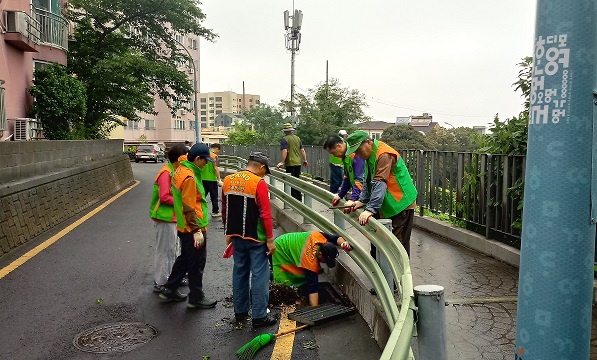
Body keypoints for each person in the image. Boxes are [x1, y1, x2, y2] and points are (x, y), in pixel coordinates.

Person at [159, 143, 217, 309]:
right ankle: (196, 297)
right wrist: (197, 231)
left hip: (184, 226)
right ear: (197, 159)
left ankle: (169, 289)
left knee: (185, 258)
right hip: (193, 227)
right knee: (197, 262)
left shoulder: (181, 169)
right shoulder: (189, 177)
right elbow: (189, 207)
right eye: (204, 161)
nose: (206, 164)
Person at [222, 152, 277, 327]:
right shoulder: (258, 183)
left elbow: (225, 208)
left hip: (236, 234)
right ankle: (260, 317)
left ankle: (240, 313)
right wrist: (270, 239)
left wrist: (227, 232)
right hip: (256, 237)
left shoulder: (229, 180)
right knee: (260, 274)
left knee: (239, 272)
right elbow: (266, 214)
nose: (265, 175)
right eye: (265, 171)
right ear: (261, 167)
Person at [344, 130, 418, 257]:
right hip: (387, 204)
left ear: (368, 142)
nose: (358, 155)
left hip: (400, 203)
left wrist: (370, 209)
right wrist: (362, 201)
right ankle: (382, 274)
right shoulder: (369, 155)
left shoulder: (384, 154)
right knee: (379, 241)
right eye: (355, 152)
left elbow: (379, 182)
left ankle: (400, 276)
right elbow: (367, 179)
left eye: (358, 150)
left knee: (396, 244)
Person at [272, 231, 352, 307]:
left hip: (289, 241)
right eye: (326, 260)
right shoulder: (310, 261)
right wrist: (315, 309)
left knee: (302, 277)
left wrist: (343, 243)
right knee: (283, 283)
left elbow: (335, 238)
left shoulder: (319, 237)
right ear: (320, 254)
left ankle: (297, 293)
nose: (325, 262)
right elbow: (313, 288)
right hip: (279, 248)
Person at [149, 144, 188, 293]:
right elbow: (164, 196)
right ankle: (161, 281)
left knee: (173, 249)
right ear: (179, 158)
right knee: (165, 250)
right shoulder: (166, 173)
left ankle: (171, 278)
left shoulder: (173, 171)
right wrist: (184, 203)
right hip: (165, 217)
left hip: (171, 217)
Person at [323, 134, 365, 209]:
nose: (334, 156)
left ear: (339, 146)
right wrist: (340, 195)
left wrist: (352, 199)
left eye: (333, 153)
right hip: (362, 197)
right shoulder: (345, 157)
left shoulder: (355, 154)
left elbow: (360, 179)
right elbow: (347, 178)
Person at [276, 123, 308, 201]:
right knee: (297, 181)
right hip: (298, 163)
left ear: (285, 131)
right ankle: (299, 198)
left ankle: (294, 200)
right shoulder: (298, 138)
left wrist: (282, 162)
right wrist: (305, 160)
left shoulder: (285, 139)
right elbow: (302, 150)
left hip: (290, 163)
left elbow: (285, 150)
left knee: (291, 182)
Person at [200, 143, 223, 217]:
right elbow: (216, 168)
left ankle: (198, 209)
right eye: (218, 151)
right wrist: (219, 179)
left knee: (202, 194)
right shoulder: (214, 156)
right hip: (211, 179)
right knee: (214, 196)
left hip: (202, 178)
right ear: (216, 149)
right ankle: (215, 211)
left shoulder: (203, 154)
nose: (218, 152)